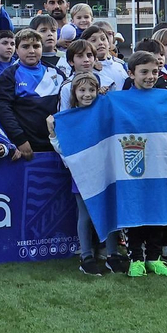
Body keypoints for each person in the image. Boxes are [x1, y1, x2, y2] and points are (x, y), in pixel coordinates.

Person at [45, 73, 120, 275]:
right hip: (82, 174)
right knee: (85, 215)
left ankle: (113, 254)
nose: (87, 94)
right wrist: (52, 133)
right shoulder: (69, 119)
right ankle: (86, 256)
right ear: (74, 93)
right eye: (82, 90)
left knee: (110, 210)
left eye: (91, 90)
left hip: (106, 172)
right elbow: (63, 148)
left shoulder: (103, 111)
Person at [119, 52, 167, 277]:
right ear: (131, 74)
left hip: (160, 164)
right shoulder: (121, 100)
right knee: (135, 209)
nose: (150, 76)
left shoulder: (166, 98)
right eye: (144, 72)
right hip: (133, 166)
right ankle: (136, 257)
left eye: (154, 72)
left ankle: (154, 258)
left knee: (157, 209)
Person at [0, 28, 64, 158]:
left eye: (36, 46)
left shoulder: (57, 74)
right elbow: (4, 110)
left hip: (56, 145)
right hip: (26, 146)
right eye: (25, 47)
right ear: (17, 50)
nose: (31, 51)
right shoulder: (8, 76)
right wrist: (20, 139)